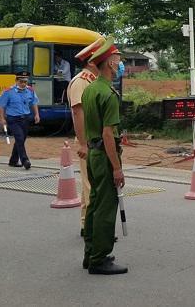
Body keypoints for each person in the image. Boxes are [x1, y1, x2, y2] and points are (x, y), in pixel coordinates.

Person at [81, 37, 127, 275]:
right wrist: (117, 167)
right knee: (106, 207)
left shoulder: (90, 90)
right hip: (104, 154)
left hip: (92, 154)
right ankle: (100, 258)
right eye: (118, 60)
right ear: (109, 63)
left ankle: (90, 253)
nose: (120, 64)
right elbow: (108, 134)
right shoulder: (108, 95)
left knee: (95, 204)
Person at [67, 37, 105, 237]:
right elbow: (78, 112)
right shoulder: (82, 82)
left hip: (96, 139)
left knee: (92, 184)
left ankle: (87, 223)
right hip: (89, 141)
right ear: (92, 61)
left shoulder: (95, 81)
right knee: (91, 185)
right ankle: (92, 228)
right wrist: (83, 143)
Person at [0, 71, 40, 170]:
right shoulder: (8, 92)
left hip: (25, 118)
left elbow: (34, 103)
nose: (23, 84)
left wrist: (37, 114)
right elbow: (1, 105)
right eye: (21, 81)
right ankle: (25, 160)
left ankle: (13, 160)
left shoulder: (30, 91)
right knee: (19, 138)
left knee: (21, 140)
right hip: (13, 119)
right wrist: (2, 118)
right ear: (16, 81)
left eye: (25, 82)